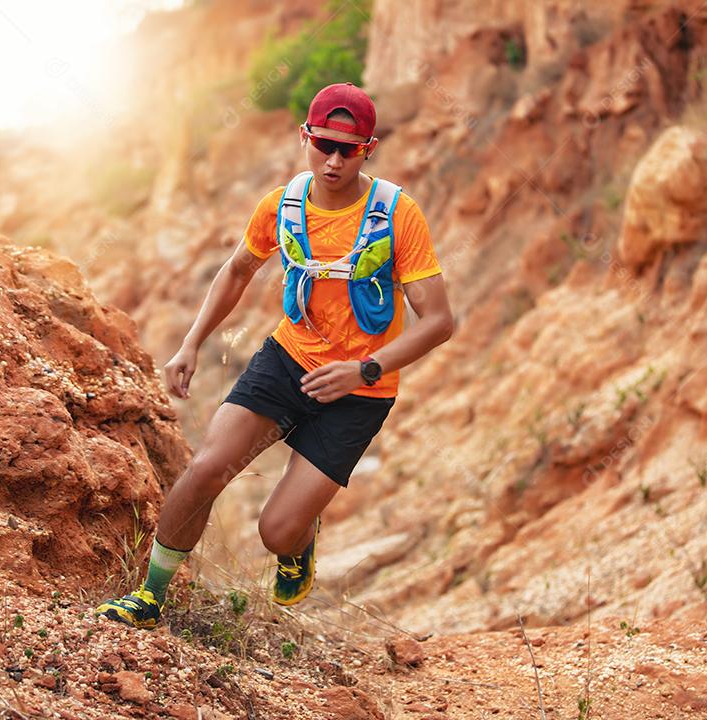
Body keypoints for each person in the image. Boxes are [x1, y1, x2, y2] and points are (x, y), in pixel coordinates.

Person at [96, 82, 454, 628]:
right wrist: (191, 342)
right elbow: (239, 270)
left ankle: (297, 541)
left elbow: (440, 321)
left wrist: (365, 368)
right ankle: (150, 596)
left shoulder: (397, 214)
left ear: (369, 148)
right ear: (305, 137)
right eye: (323, 145)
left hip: (360, 390)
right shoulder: (282, 206)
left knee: (275, 531)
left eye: (349, 149)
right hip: (288, 361)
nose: (333, 161)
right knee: (208, 467)